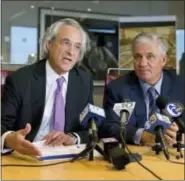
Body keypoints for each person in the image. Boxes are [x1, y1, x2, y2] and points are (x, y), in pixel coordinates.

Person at [1, 18, 93, 156]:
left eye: (77, 47)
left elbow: (91, 126)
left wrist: (72, 138)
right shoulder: (21, 79)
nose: (71, 52)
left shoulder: (84, 81)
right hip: (28, 155)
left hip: (69, 156)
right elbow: (3, 125)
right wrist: (9, 139)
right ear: (49, 44)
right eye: (66, 43)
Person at [102, 32, 185, 147]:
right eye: (137, 57)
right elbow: (109, 127)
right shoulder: (117, 88)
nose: (142, 63)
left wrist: (181, 135)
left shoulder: (181, 86)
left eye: (150, 57)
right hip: (137, 155)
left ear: (163, 60)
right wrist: (142, 136)